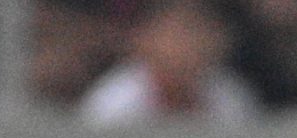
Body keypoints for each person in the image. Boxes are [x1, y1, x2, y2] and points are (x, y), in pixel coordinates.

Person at [79, 0, 257, 125]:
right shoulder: (113, 104)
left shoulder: (230, 97)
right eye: (179, 33)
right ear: (147, 38)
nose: (188, 45)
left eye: (198, 32)